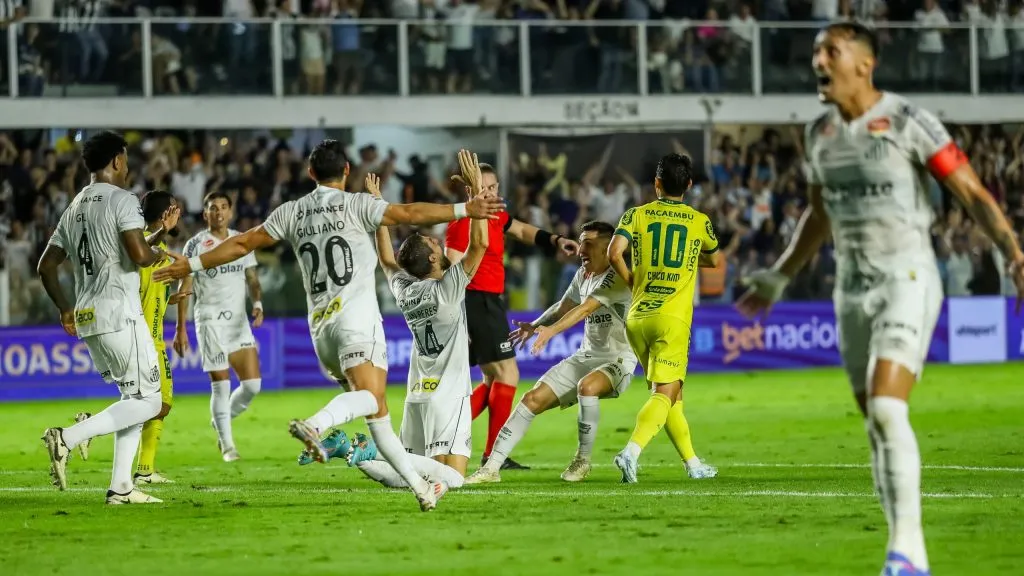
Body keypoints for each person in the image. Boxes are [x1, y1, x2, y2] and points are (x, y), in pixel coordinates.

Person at [736, 22, 1024, 576]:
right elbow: (818, 215)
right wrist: (779, 275)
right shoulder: (818, 134)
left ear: (864, 65)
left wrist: (1013, 251)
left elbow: (971, 192)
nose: (819, 60)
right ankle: (904, 551)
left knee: (890, 408)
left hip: (908, 278)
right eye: (817, 51)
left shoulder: (908, 121)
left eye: (831, 51)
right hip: (852, 290)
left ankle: (907, 554)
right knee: (876, 421)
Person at [154, 139, 504, 512]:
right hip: (358, 326)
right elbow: (408, 214)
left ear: (310, 173)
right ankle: (318, 425)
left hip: (321, 333)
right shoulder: (358, 206)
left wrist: (190, 265)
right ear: (347, 170)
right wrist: (467, 206)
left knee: (378, 417)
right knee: (378, 405)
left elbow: (242, 244)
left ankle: (418, 487)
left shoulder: (293, 211)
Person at [38, 130, 170, 505]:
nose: (127, 168)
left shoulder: (75, 205)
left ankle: (121, 488)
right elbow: (140, 255)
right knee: (150, 402)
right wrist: (161, 251)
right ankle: (68, 437)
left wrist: (65, 307)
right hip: (120, 313)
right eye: (125, 160)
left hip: (89, 316)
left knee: (133, 397)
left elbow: (46, 267)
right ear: (116, 161)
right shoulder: (123, 200)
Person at [350, 151, 486, 490]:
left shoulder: (406, 290)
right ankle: (373, 452)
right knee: (454, 478)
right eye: (432, 242)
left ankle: (358, 455)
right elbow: (480, 243)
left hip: (417, 394)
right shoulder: (448, 289)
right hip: (448, 394)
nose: (438, 240)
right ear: (432, 259)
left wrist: (379, 207)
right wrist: (477, 191)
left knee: (408, 476)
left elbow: (385, 259)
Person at [465, 221, 639, 484]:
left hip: (618, 360)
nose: (581, 249)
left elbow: (584, 310)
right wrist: (535, 326)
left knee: (587, 387)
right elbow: (564, 306)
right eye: (580, 242)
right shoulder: (583, 274)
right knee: (531, 399)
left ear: (608, 248)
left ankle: (582, 461)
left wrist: (551, 331)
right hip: (585, 357)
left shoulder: (618, 277)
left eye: (588, 244)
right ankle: (491, 468)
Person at [446, 163, 579, 470]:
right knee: (508, 374)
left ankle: (445, 434)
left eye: (494, 188)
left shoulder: (496, 216)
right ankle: (493, 455)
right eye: (486, 189)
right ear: (474, 191)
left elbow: (521, 230)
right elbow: (452, 271)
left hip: (491, 302)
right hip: (474, 301)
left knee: (494, 378)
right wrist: (458, 317)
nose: (492, 194)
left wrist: (556, 240)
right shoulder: (461, 223)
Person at [606, 153, 720, 484]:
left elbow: (614, 253)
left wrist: (633, 281)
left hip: (638, 317)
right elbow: (713, 259)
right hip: (671, 318)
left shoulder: (635, 215)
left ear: (656, 184)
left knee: (671, 395)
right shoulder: (700, 221)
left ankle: (693, 464)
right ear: (689, 185)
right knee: (664, 394)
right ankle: (630, 452)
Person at [173, 192, 265, 462]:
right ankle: (227, 445)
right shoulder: (196, 245)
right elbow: (185, 287)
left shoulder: (241, 240)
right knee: (221, 386)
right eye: (213, 208)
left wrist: (257, 303)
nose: (219, 212)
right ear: (205, 214)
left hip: (238, 322)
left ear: (231, 211)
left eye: (224, 207)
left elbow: (252, 278)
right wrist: (181, 328)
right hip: (210, 320)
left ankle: (220, 419)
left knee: (252, 386)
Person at [133, 190, 187, 484]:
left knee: (154, 404)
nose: (179, 215)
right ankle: (84, 429)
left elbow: (147, 292)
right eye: (175, 210)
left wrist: (172, 298)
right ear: (165, 214)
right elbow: (139, 265)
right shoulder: (142, 243)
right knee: (157, 404)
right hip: (144, 340)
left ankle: (145, 471)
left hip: (151, 338)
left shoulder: (161, 251)